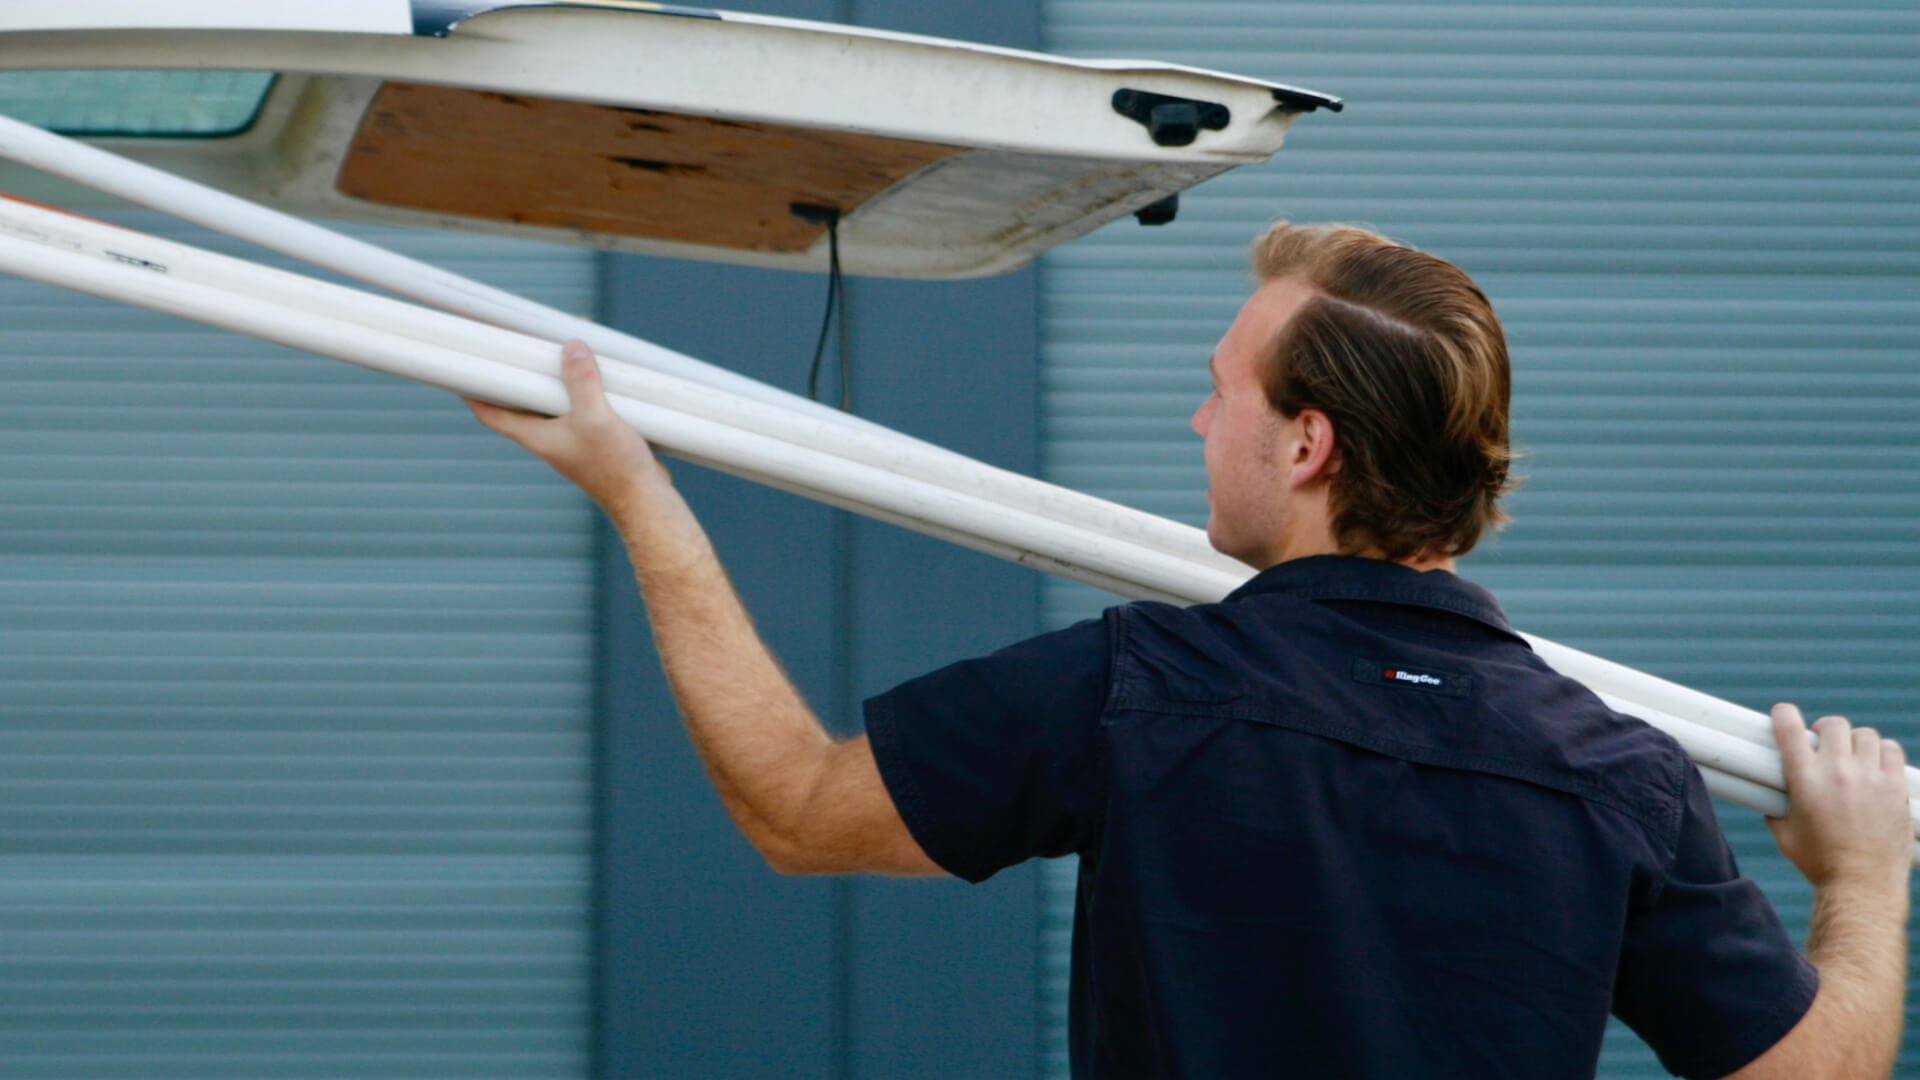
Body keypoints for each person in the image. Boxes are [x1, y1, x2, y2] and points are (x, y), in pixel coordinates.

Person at [468, 222, 1912, 1078]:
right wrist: (1866, 883)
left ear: (1308, 443)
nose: (1196, 423)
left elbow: (794, 806)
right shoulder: (1617, 777)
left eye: (1219, 392)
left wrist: (633, 490)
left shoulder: (1140, 692)